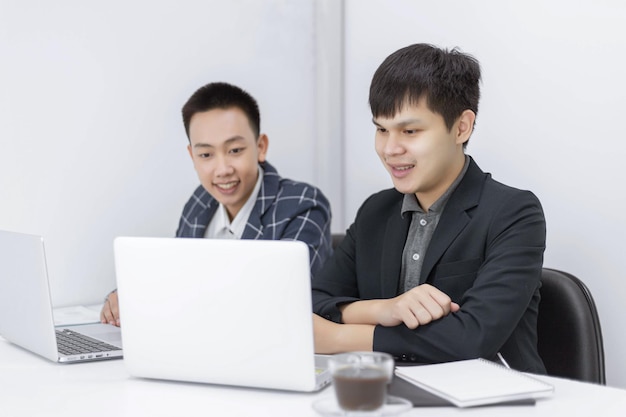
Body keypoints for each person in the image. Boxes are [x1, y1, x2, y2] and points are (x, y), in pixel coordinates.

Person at [312, 43, 546, 373]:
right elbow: (311, 302)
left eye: (410, 131)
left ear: (461, 127)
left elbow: (470, 339)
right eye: (381, 129)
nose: (390, 149)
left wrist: (336, 337)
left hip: (494, 397)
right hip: (393, 394)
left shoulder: (514, 213)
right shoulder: (375, 211)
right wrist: (383, 310)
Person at [102, 82, 332, 326]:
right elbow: (176, 276)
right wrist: (127, 296)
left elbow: (281, 300)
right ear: (192, 156)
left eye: (234, 150)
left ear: (260, 147)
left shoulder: (303, 204)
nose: (222, 170)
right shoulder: (200, 203)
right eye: (206, 155)